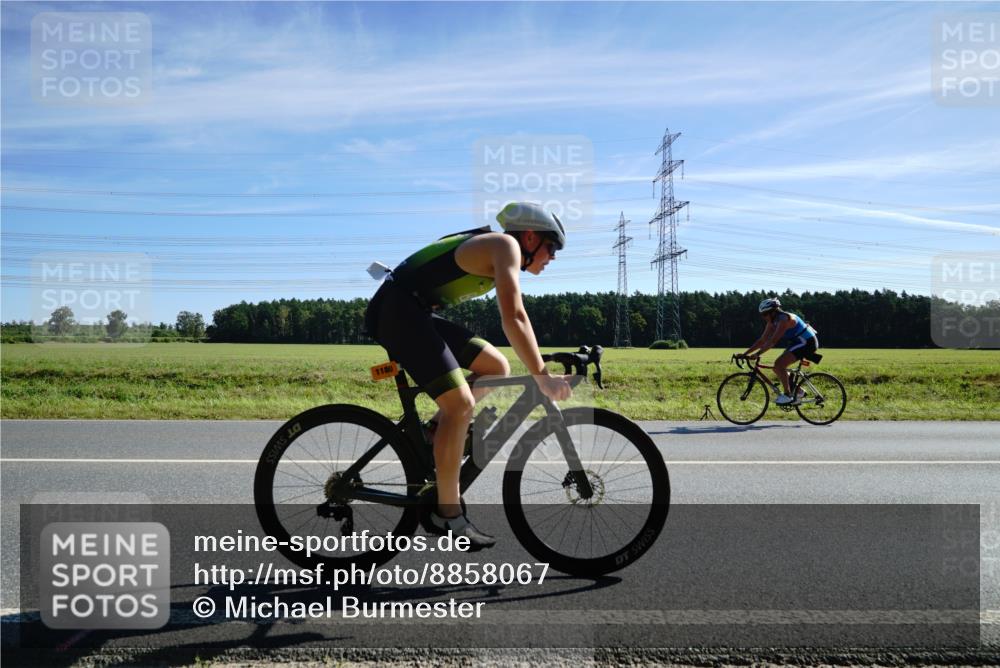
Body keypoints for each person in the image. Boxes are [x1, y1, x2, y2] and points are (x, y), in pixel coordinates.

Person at [364, 202, 573, 550]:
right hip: (399, 312)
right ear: (531, 237)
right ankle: (448, 513)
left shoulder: (496, 247)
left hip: (411, 310)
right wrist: (542, 376)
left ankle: (435, 433)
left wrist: (540, 366)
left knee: (496, 367)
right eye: (552, 248)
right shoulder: (505, 245)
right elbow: (515, 316)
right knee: (460, 405)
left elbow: (516, 318)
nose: (553, 257)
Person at [741, 297, 819, 406]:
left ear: (772, 312)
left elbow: (773, 341)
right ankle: (798, 392)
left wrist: (757, 354)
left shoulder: (784, 320)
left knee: (779, 365)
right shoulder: (772, 321)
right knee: (777, 368)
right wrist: (745, 354)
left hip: (807, 343)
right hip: (797, 342)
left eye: (764, 314)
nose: (763, 317)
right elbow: (762, 340)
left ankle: (788, 395)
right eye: (762, 315)